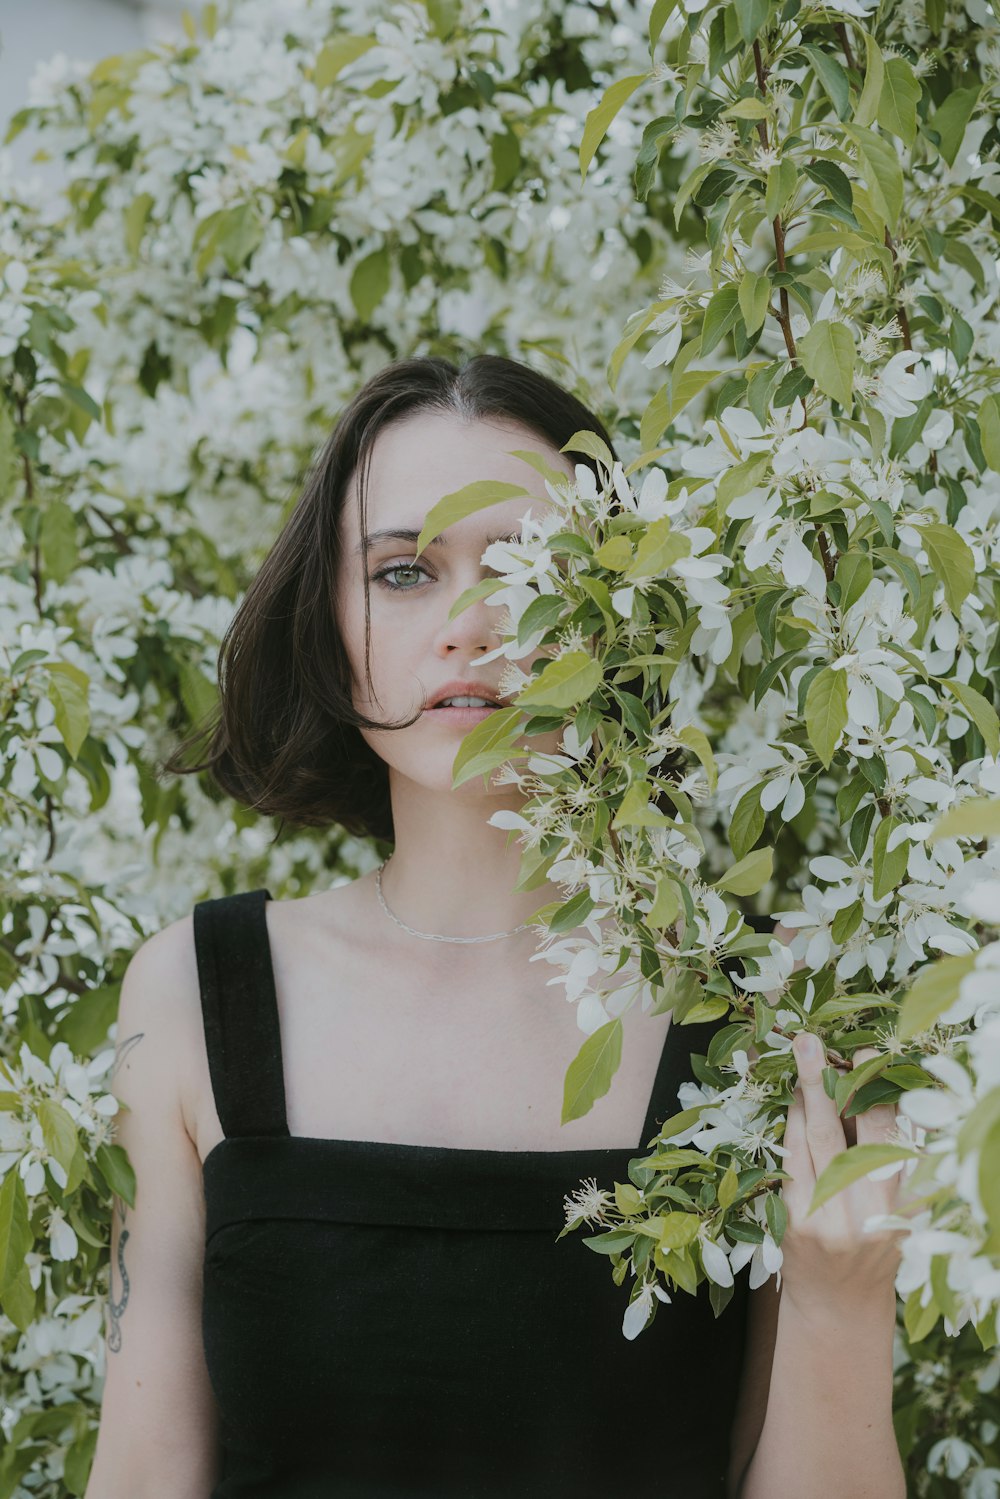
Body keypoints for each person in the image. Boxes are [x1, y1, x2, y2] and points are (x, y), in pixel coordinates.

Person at [85, 355, 906, 1498]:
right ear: (329, 615)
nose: (471, 625)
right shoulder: (195, 996)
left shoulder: (756, 1007)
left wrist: (845, 1294)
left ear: (620, 607)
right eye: (407, 570)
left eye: (532, 565)